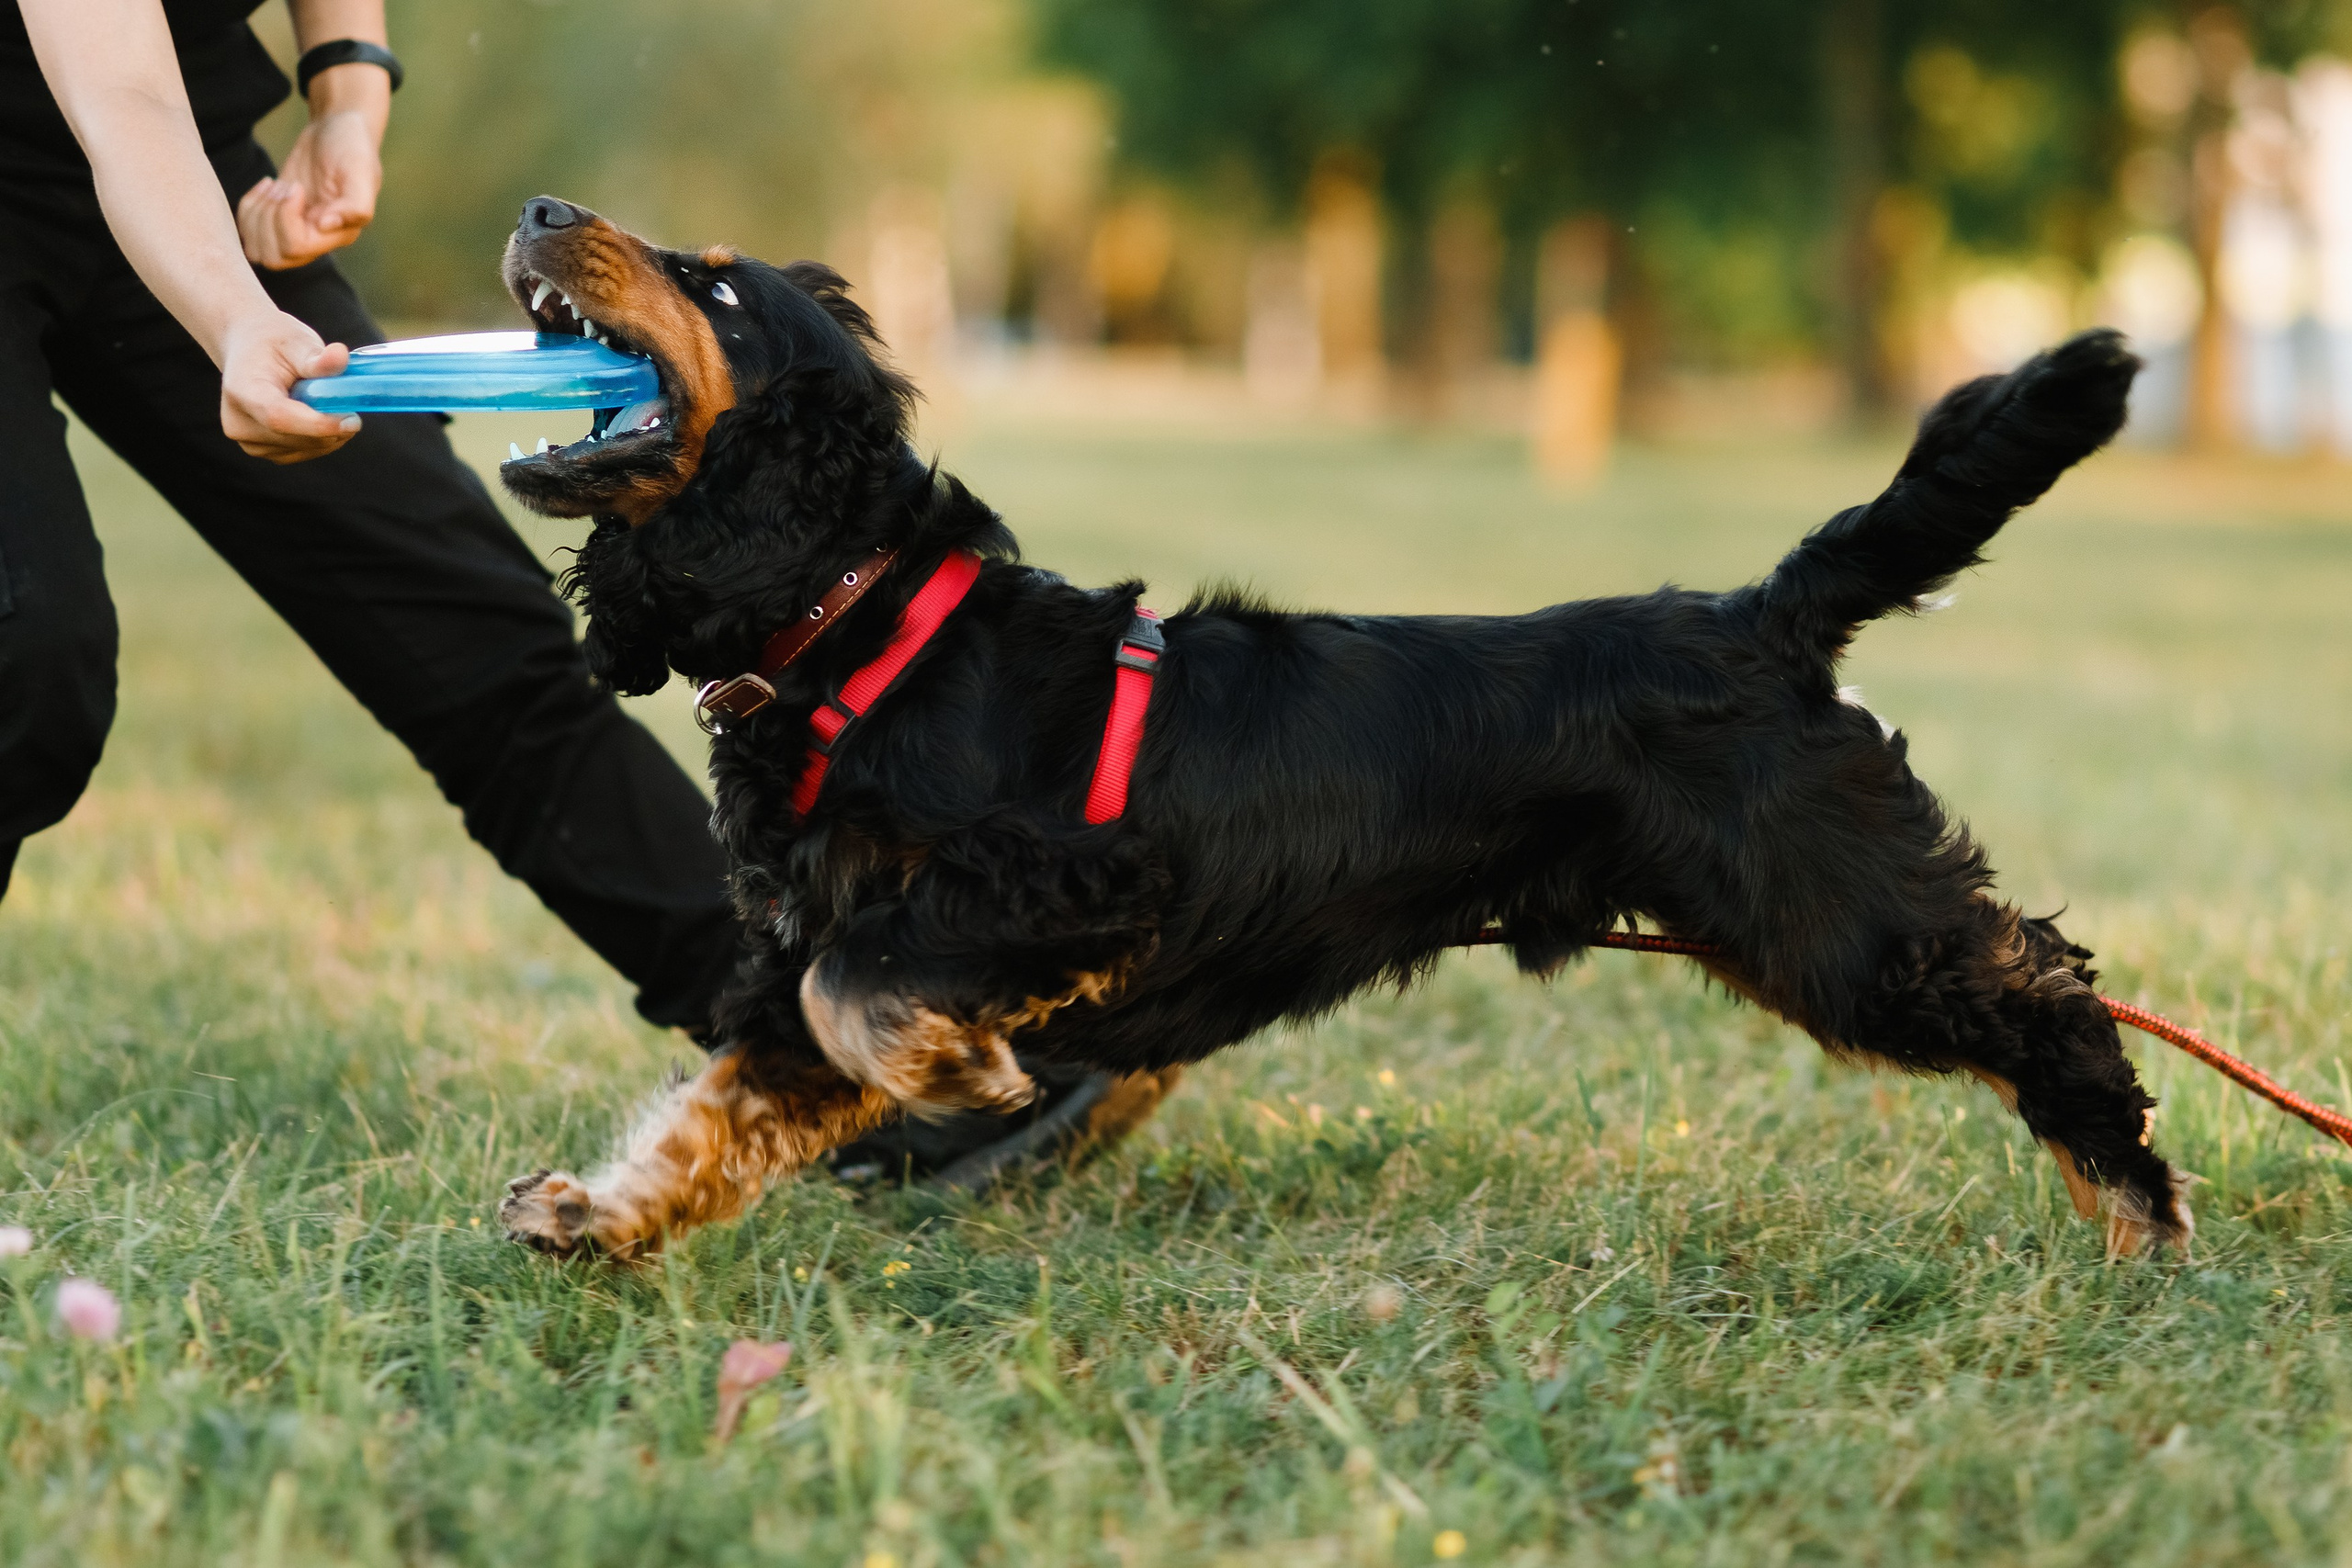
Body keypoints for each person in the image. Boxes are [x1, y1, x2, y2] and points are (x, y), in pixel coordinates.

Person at [3, 0, 1137, 1184]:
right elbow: (117, 87)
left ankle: (823, 1061)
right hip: (126, 129)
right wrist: (236, 320)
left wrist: (346, 86)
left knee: (484, 640)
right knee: (27, 655)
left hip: (184, 162)